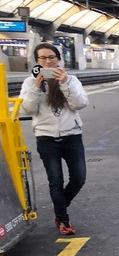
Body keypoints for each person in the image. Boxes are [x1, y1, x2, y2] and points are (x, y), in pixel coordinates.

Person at [20, 42, 89, 235]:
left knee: (79, 178)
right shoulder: (29, 83)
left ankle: (60, 208)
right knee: (55, 181)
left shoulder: (71, 80)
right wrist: (35, 87)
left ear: (58, 59)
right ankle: (63, 220)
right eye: (43, 58)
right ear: (37, 61)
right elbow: (28, 109)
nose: (48, 61)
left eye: (51, 57)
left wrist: (65, 83)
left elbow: (80, 103)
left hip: (72, 137)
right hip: (46, 139)